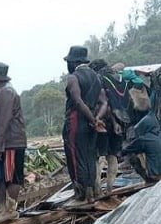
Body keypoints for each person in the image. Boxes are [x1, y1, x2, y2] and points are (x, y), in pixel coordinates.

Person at [62, 46, 108, 203]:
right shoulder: (96, 77)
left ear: (73, 62)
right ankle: (93, 191)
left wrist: (90, 119)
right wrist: (96, 119)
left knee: (75, 156)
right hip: (92, 122)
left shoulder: (73, 77)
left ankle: (83, 193)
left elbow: (77, 100)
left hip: (76, 121)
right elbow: (104, 102)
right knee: (89, 155)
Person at [0, 62, 27, 222]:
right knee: (2, 177)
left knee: (13, 177)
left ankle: (10, 210)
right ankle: (2, 210)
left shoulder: (6, 93)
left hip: (11, 142)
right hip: (7, 142)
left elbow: (3, 120)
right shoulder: (2, 92)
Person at [91, 60, 129, 195]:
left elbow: (105, 104)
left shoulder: (99, 79)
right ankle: (110, 189)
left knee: (100, 156)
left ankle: (97, 190)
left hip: (104, 122)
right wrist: (118, 123)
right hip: (120, 123)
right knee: (112, 156)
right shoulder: (120, 80)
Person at [123, 76, 161, 182]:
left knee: (133, 156)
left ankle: (147, 179)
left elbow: (125, 151)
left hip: (155, 175)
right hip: (146, 122)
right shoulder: (149, 92)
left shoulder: (145, 139)